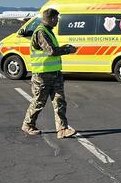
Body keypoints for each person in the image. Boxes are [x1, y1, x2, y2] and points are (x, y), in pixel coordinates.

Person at [21, 8, 78, 138]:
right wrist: (68, 49)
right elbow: (51, 51)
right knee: (39, 101)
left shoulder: (48, 31)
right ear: (52, 18)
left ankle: (62, 129)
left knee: (59, 101)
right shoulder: (41, 32)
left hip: (54, 73)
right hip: (42, 75)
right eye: (57, 18)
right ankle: (28, 124)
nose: (57, 21)